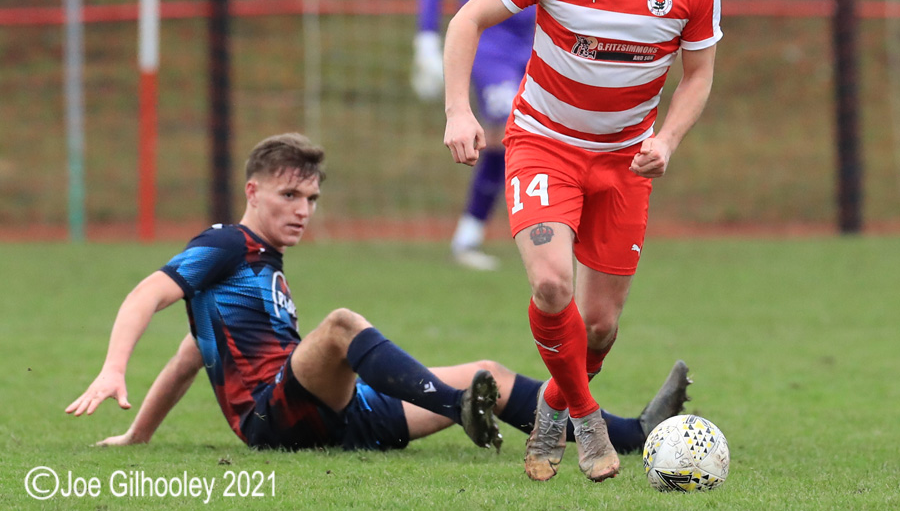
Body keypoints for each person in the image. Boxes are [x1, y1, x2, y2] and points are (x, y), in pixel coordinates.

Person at [66, 132, 692, 454]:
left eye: (311, 198)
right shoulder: (227, 244)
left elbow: (187, 357)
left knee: (492, 372)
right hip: (274, 421)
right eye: (289, 196)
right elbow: (146, 293)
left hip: (335, 415)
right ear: (252, 191)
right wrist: (113, 367)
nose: (303, 209)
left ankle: (636, 434)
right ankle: (455, 408)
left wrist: (138, 438)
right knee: (340, 325)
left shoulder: (263, 264)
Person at [442, 0, 721, 484]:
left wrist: (669, 139)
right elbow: (467, 21)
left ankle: (553, 403)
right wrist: (460, 111)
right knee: (551, 286)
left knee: (599, 325)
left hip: (625, 162)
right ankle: (587, 421)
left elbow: (699, 76)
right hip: (545, 144)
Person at [411, 0, 566, 271]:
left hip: (540, 47)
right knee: (504, 129)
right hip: (489, 47)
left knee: (541, 134)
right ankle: (473, 232)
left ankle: (523, 229)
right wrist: (426, 38)